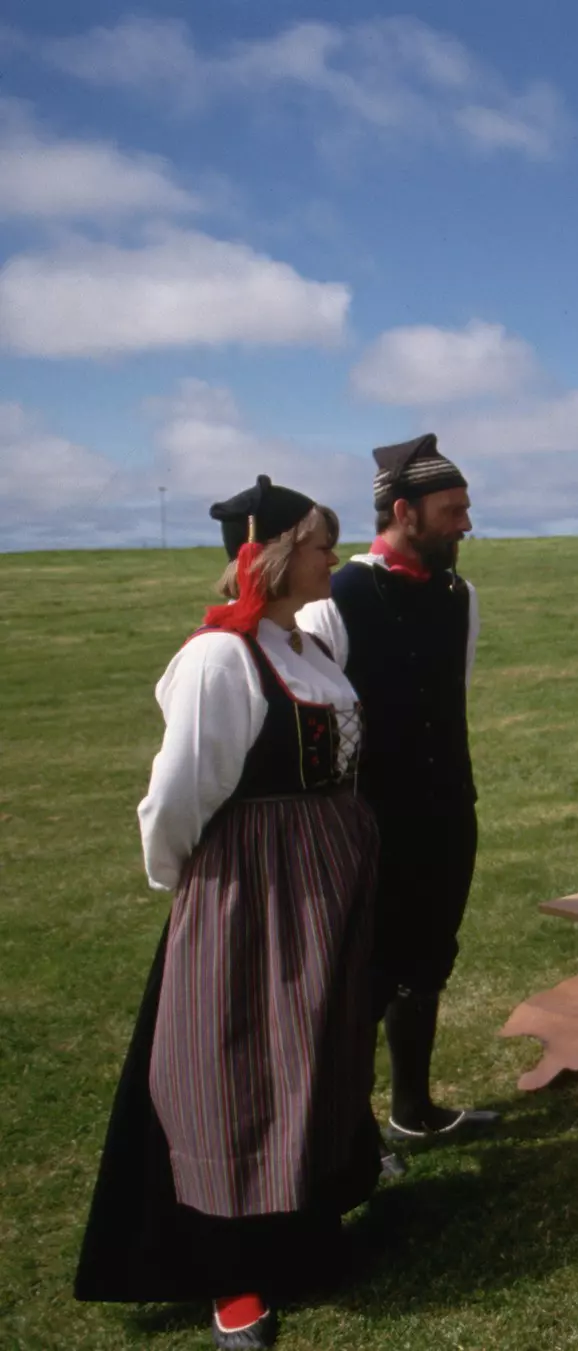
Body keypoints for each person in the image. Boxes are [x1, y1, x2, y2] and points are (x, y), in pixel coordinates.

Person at [75, 477, 383, 1350]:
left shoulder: (308, 644)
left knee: (315, 1048)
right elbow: (176, 795)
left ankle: (303, 1231)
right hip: (255, 888)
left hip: (325, 878)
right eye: (321, 542)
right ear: (278, 553)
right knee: (237, 1065)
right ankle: (229, 1273)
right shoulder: (222, 659)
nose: (334, 553)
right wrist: (197, 890)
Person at [298, 434, 494, 1143]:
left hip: (446, 812)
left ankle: (415, 1110)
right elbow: (324, 728)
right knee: (365, 974)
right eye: (453, 510)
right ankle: (346, 1140)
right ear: (404, 512)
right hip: (370, 822)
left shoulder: (459, 596)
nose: (467, 523)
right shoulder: (335, 599)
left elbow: (451, 696)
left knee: (429, 958)